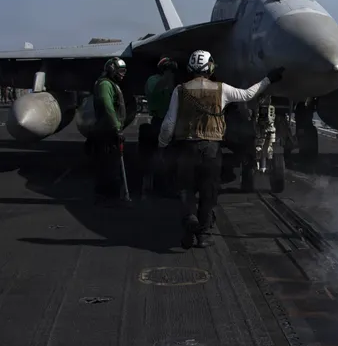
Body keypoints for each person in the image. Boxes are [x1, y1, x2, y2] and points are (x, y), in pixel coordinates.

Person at [157, 50, 284, 248]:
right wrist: (269, 79)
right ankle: (203, 234)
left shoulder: (180, 90)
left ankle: (190, 217)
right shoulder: (221, 89)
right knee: (209, 192)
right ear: (210, 67)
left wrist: (162, 146)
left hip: (187, 148)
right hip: (211, 151)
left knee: (186, 188)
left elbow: (168, 124)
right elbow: (248, 94)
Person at [92, 57, 132, 207]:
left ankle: (110, 194)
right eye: (120, 71)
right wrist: (116, 128)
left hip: (109, 130)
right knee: (107, 165)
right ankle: (104, 196)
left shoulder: (110, 84)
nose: (122, 74)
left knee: (111, 164)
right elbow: (108, 107)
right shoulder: (105, 85)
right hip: (106, 132)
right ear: (112, 70)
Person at [140, 56, 178, 197]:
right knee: (155, 156)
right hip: (158, 121)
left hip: (171, 121)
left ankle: (169, 185)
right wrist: (167, 76)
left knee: (171, 157)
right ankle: (152, 185)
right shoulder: (153, 80)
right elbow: (155, 91)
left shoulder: (172, 82)